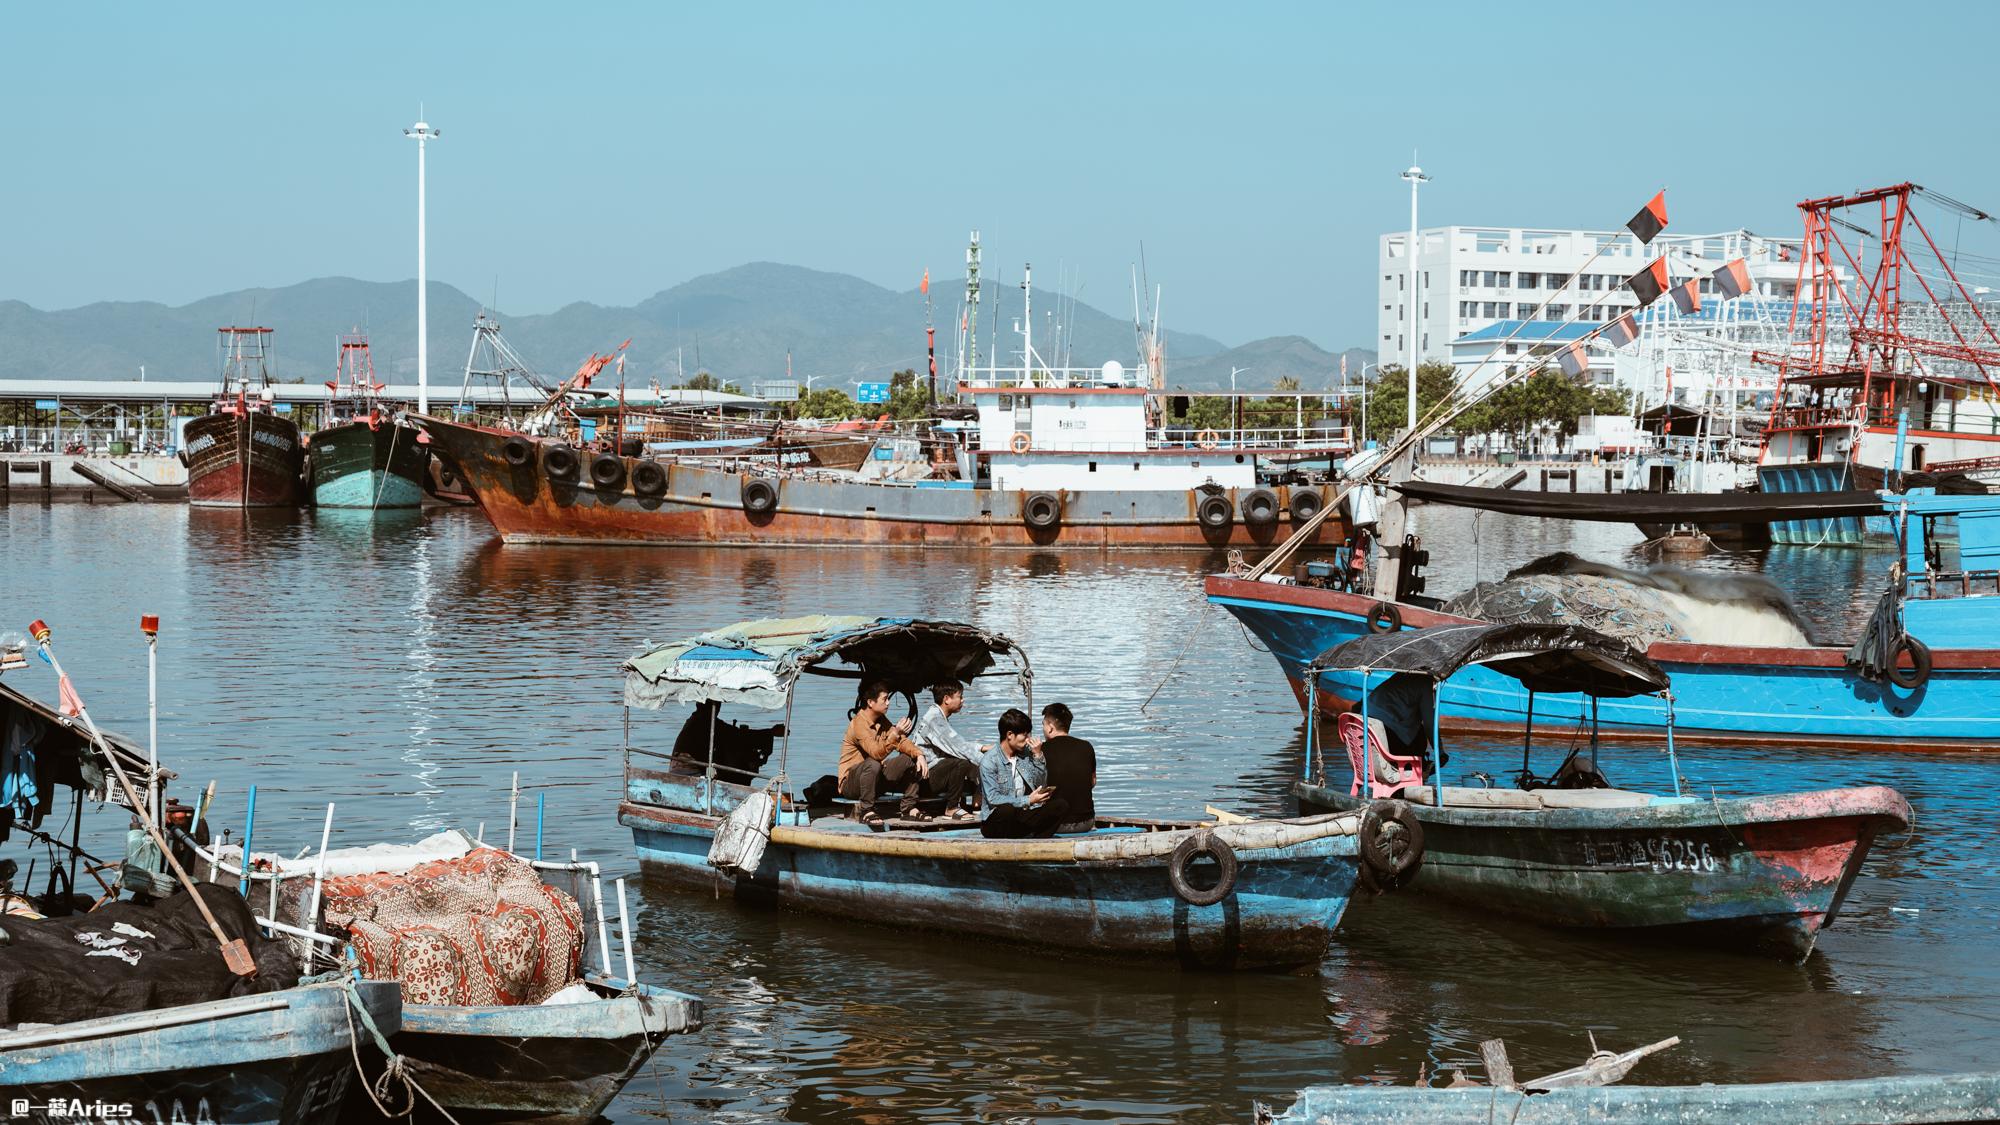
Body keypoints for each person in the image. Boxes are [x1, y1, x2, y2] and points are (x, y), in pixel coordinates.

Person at [838, 681, 926, 826]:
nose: (888, 703)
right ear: (871, 702)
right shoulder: (858, 723)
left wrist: (919, 754)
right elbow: (876, 753)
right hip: (851, 785)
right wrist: (895, 732)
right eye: (885, 699)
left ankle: (908, 807)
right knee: (873, 763)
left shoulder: (882, 721)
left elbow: (902, 742)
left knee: (909, 759)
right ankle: (866, 810)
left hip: (874, 779)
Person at [978, 708, 1070, 839]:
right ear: (1010, 735)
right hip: (995, 823)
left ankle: (1039, 842)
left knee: (1060, 805)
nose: (1028, 739)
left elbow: (1040, 783)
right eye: (1024, 735)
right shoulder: (989, 761)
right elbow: (993, 798)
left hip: (1021, 816)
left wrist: (1038, 755)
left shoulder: (1026, 754)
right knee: (1007, 810)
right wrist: (1027, 800)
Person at [910, 681, 983, 821]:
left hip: (933, 773)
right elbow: (959, 747)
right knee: (962, 762)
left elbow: (956, 743)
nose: (962, 700)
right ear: (946, 699)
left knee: (970, 760)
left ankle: (977, 803)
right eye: (960, 696)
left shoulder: (938, 716)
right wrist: (990, 762)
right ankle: (952, 808)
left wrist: (981, 748)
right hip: (924, 779)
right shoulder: (935, 720)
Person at [1038, 702, 1096, 834]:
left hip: (1055, 824)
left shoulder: (1042, 750)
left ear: (1050, 728)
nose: (1043, 728)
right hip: (1086, 822)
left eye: (1043, 724)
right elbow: (1092, 782)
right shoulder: (1087, 746)